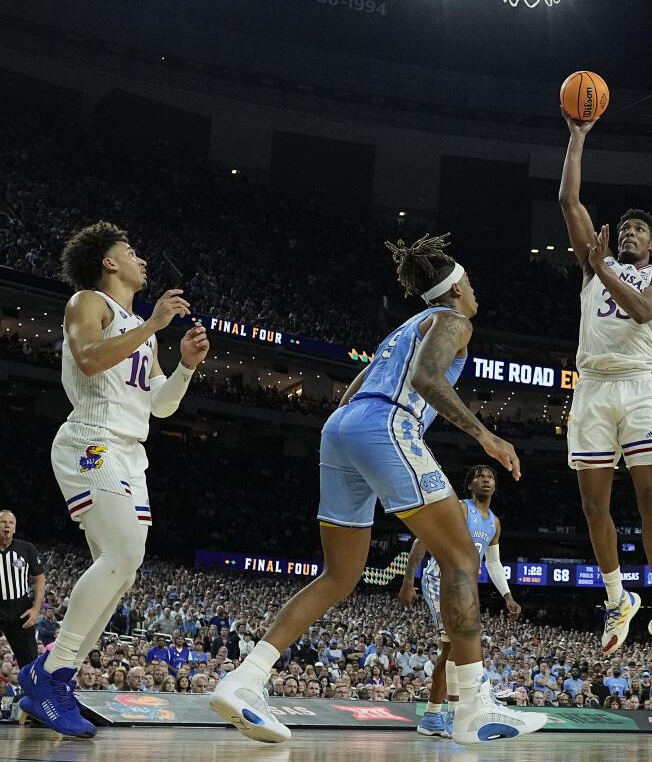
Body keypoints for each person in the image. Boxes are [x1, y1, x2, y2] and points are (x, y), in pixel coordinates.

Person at [210, 234, 545, 745]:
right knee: (460, 559)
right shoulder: (456, 321)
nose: (475, 294)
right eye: (470, 285)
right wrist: (486, 435)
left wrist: (355, 441)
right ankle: (475, 708)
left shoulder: (403, 329)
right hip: (388, 424)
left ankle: (245, 680)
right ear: (455, 289)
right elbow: (430, 380)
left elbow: (353, 389)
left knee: (339, 575)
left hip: (342, 428)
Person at [20, 222, 208, 738]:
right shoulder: (89, 302)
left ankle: (58, 677)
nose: (140, 260)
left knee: (125, 570)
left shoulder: (136, 330)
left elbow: (159, 406)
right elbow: (88, 357)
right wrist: (153, 325)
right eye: (130, 251)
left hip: (130, 451)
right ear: (109, 263)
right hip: (91, 438)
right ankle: (50, 671)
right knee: (121, 554)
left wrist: (185, 368)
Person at [558, 112, 652, 661]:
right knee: (593, 507)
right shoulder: (593, 266)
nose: (628, 232)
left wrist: (601, 266)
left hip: (636, 385)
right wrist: (577, 138)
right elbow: (569, 202)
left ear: (651, 245)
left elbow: (639, 311)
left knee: (651, 496)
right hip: (591, 388)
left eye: (639, 231)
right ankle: (617, 600)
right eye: (624, 228)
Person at [401, 464, 522, 739]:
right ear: (470, 484)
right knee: (454, 647)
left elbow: (493, 563)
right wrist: (409, 581)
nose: (486, 480)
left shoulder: (494, 522)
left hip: (463, 586)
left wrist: (507, 595)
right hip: (438, 578)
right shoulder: (459, 508)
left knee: (452, 651)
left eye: (491, 477)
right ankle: (446, 714)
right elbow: (423, 538)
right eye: (480, 476)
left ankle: (442, 715)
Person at [0, 510, 45, 668]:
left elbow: (39, 578)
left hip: (20, 607)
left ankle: (31, 692)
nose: (7, 525)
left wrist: (36, 609)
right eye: (3, 522)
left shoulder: (26, 549)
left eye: (10, 523)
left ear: (15, 528)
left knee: (29, 659)